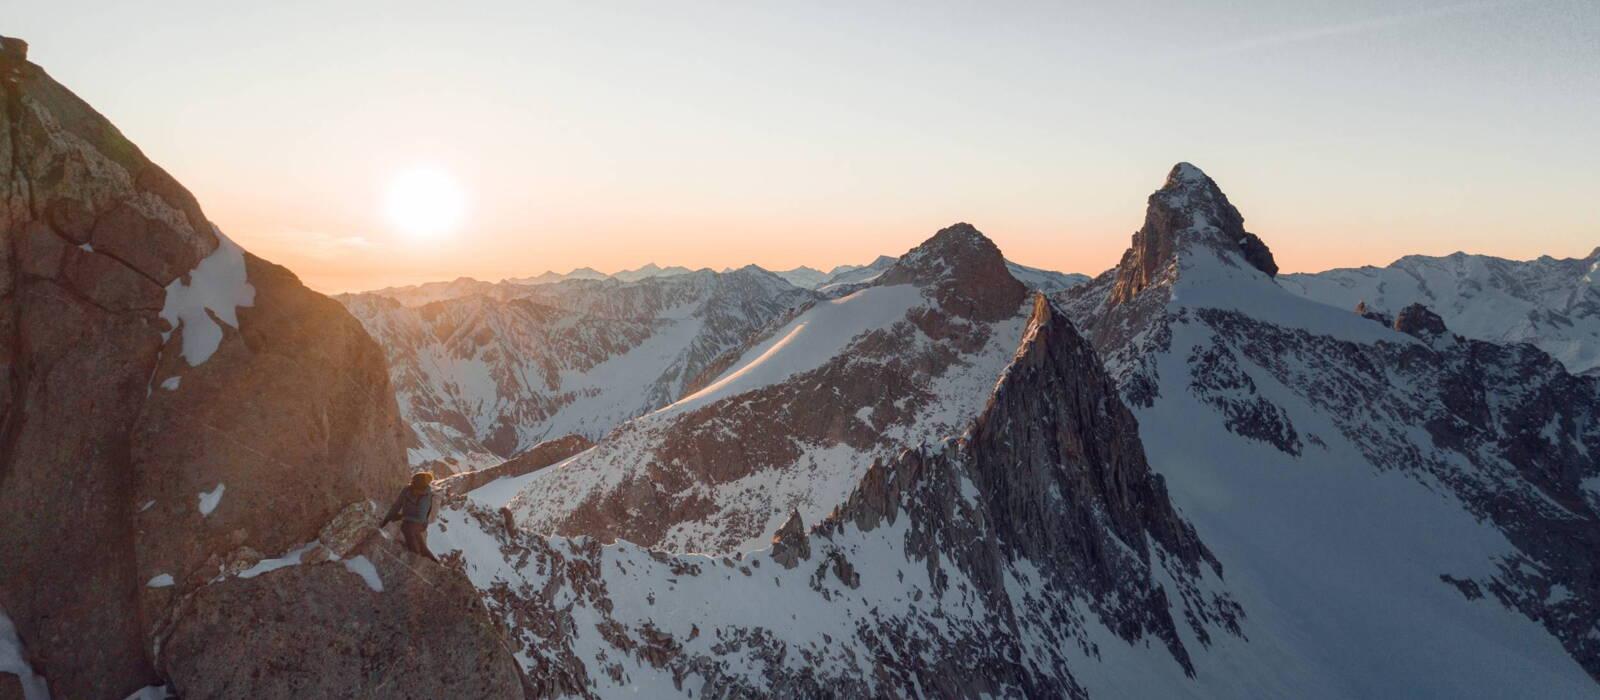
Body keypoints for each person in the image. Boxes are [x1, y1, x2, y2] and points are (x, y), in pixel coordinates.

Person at [380, 471, 439, 562]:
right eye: (412, 483)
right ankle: (431, 559)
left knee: (407, 527)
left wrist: (403, 517)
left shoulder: (425, 498)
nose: (412, 485)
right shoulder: (407, 490)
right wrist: (386, 521)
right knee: (419, 541)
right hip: (408, 518)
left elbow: (421, 519)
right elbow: (397, 505)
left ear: (420, 486)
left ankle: (414, 555)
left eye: (414, 484)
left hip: (420, 523)